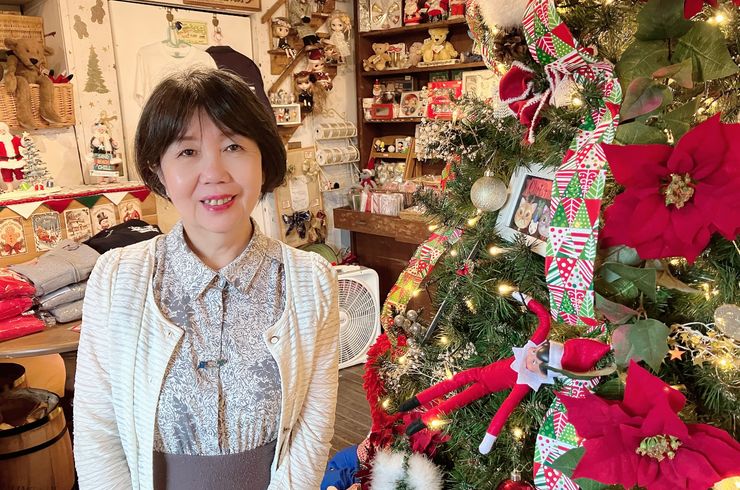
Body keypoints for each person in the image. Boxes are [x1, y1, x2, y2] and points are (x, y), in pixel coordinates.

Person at [73, 68, 340, 490]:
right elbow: (96, 432)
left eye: (233, 146)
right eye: (187, 151)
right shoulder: (116, 279)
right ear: (158, 170)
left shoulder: (312, 281)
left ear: (263, 159)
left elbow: (313, 427)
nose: (214, 172)